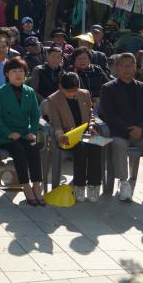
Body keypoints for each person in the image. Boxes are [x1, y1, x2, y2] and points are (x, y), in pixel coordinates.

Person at [98, 53, 143, 204]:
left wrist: (141, 128)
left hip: (141, 133)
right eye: (124, 65)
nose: (128, 69)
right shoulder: (108, 88)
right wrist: (128, 129)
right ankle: (124, 183)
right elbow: (108, 114)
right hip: (118, 133)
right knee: (119, 145)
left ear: (136, 67)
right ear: (117, 68)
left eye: (131, 65)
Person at [0, 57, 45, 206]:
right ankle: (25, 186)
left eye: (21, 71)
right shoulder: (1, 92)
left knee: (33, 149)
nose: (18, 74)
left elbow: (35, 115)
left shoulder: (30, 91)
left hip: (24, 132)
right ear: (7, 74)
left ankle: (36, 185)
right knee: (19, 150)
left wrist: (32, 131)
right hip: (6, 136)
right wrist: (8, 133)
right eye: (14, 71)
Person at [46, 72, 103, 202]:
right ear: (61, 87)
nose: (72, 94)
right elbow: (56, 123)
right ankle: (79, 185)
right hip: (68, 137)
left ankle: (94, 185)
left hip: (86, 133)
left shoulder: (84, 94)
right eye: (69, 91)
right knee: (81, 147)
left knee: (98, 145)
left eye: (75, 90)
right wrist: (60, 136)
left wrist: (92, 127)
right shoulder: (53, 100)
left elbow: (91, 115)